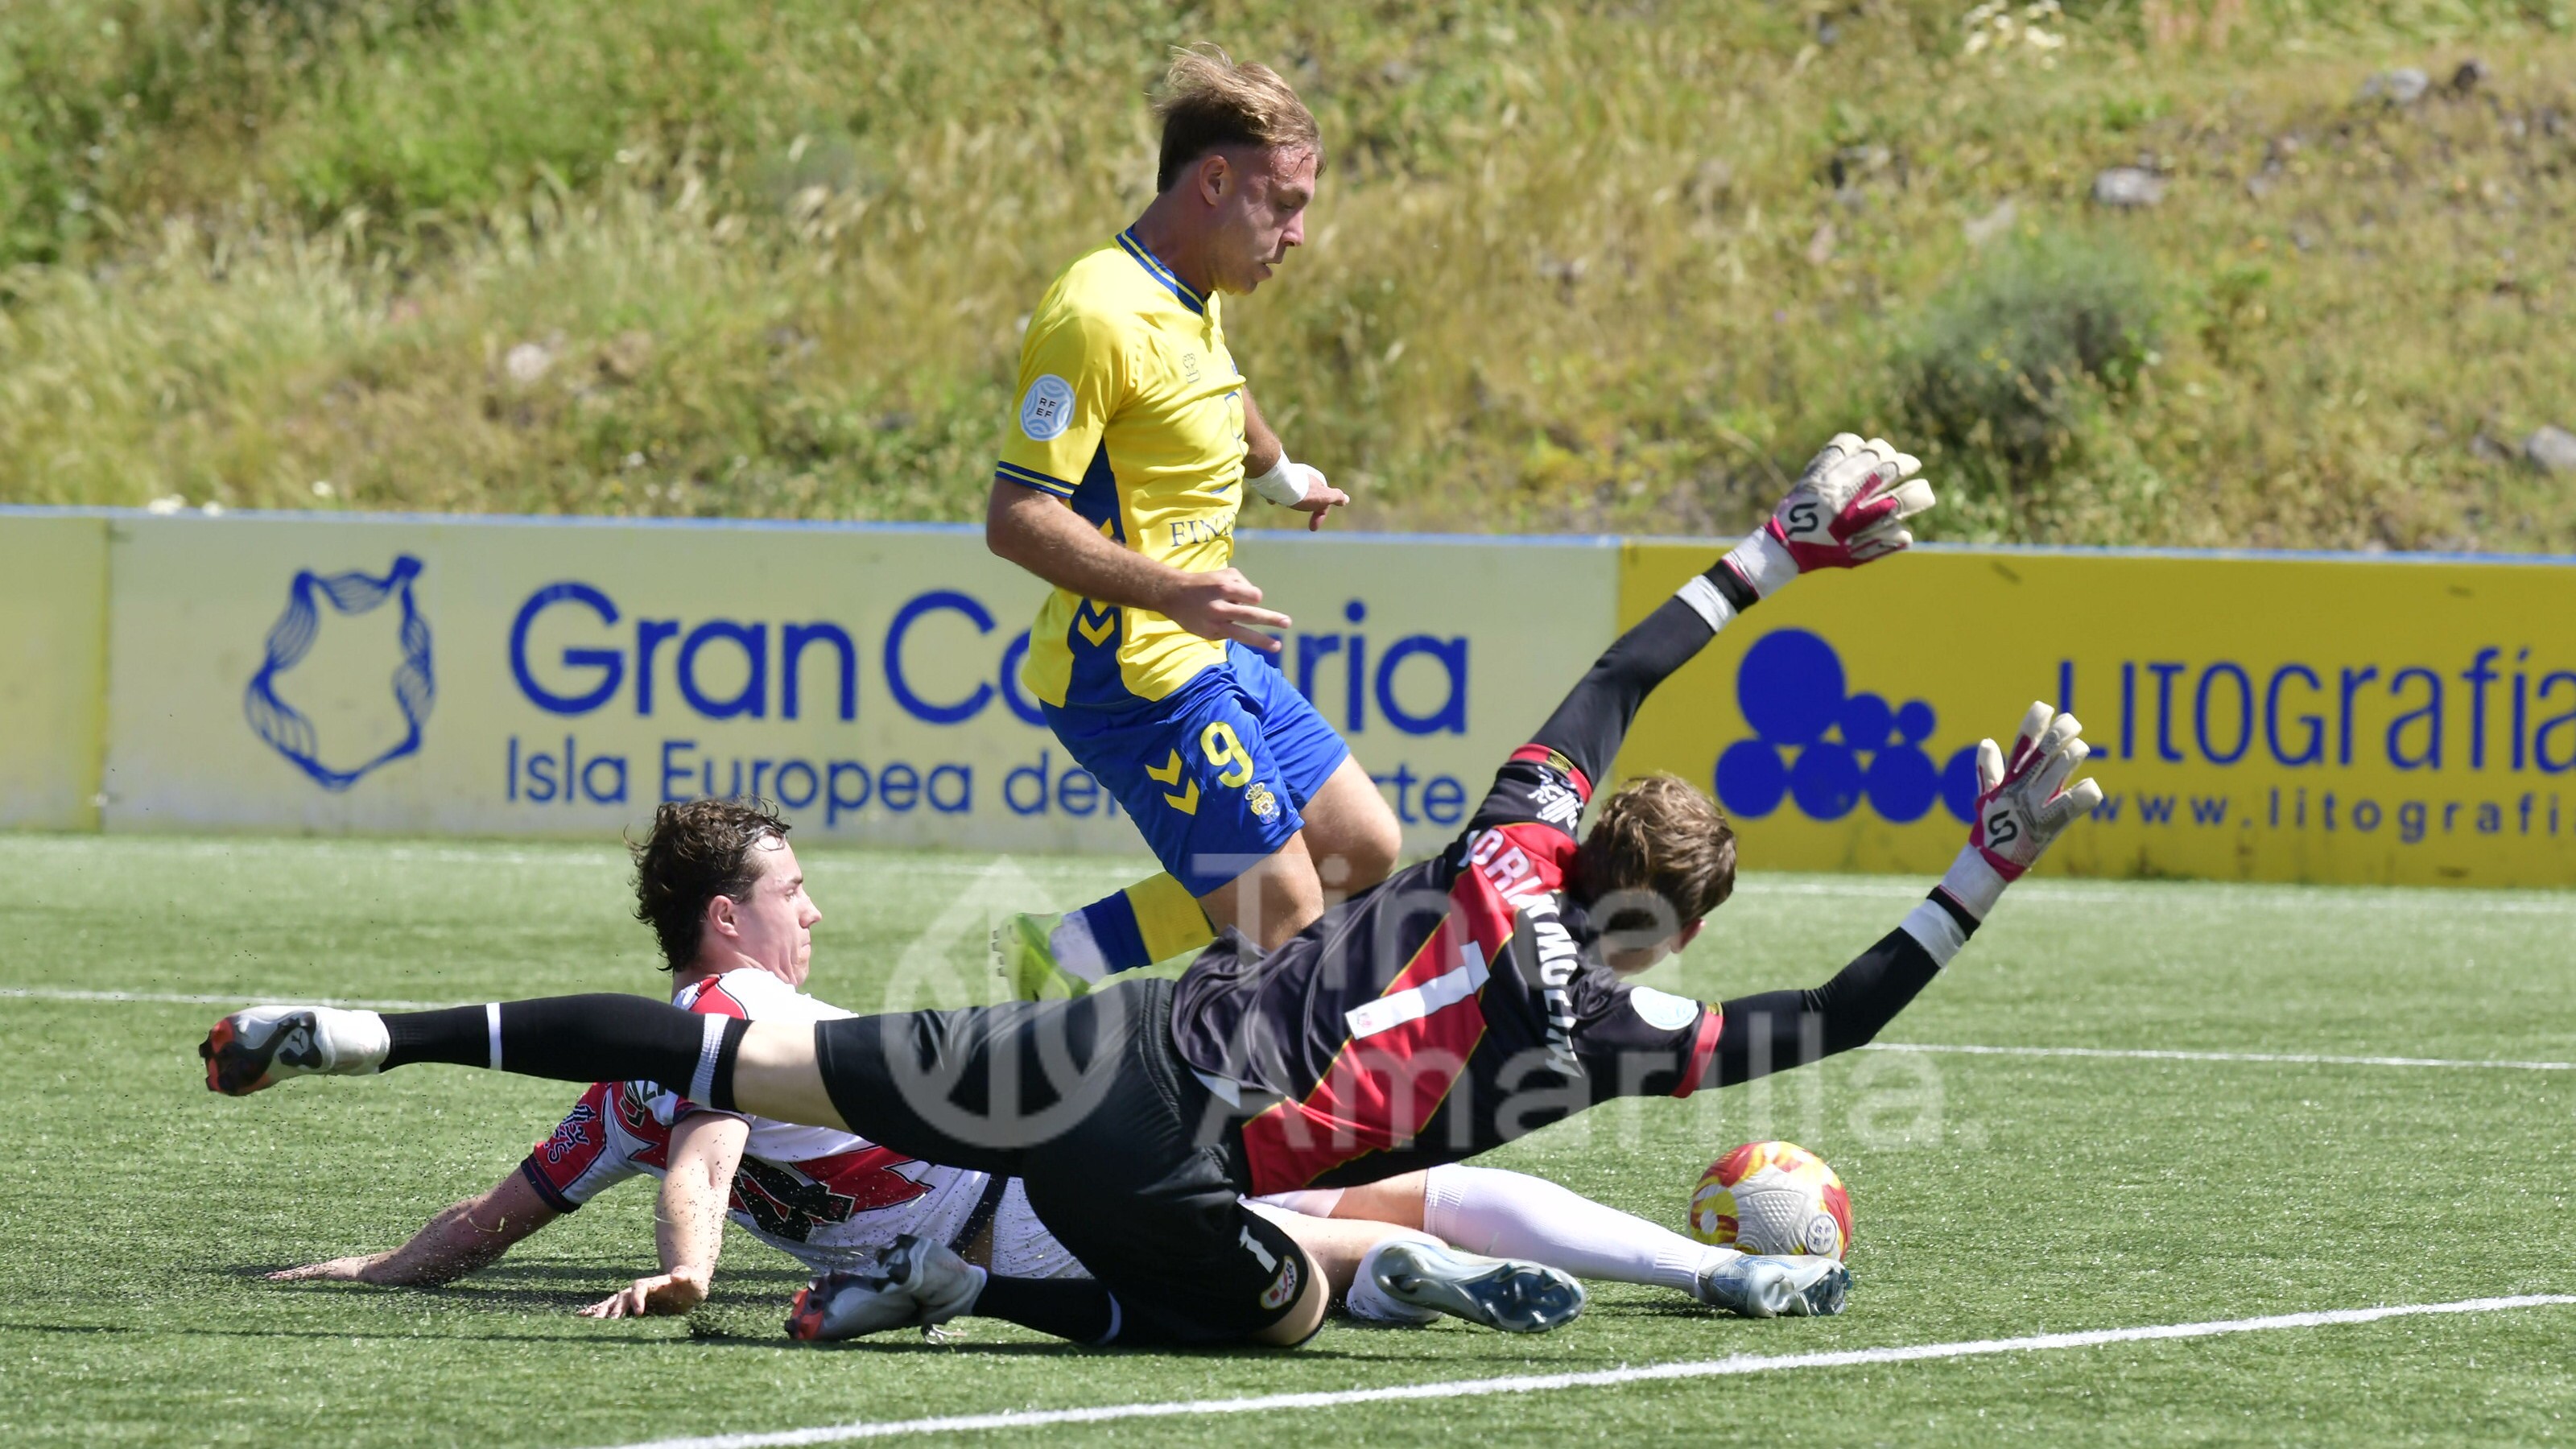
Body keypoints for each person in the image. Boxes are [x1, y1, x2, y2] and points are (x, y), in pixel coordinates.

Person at [206, 434, 2089, 1351]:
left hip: (1099, 1042)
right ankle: (1021, 1289)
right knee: (1286, 1304)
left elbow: (1610, 688)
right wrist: (1981, 864)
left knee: (739, 1051)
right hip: (1179, 1170)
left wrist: (1772, 546)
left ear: (1578, 848)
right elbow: (1844, 1018)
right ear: (1667, 931)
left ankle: (373, 1029)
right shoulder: (1619, 1018)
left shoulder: (1507, 841)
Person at [268, 798, 1590, 1338]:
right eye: (793, 891)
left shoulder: (622, 1085)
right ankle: (1465, 1266)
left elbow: (495, 1222)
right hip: (1024, 1202)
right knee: (1312, 1233)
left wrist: (374, 1272)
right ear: (726, 922)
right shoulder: (730, 1019)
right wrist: (689, 1264)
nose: (815, 916)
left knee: (1288, 1245)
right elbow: (712, 1148)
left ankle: (1427, 1269)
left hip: (988, 1230)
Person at [980, 45, 1401, 999]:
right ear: (1215, 180)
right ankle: (1207, 1128)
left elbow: (1216, 391)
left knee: (1362, 847)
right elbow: (1016, 517)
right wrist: (1173, 590)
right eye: (1284, 206)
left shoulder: (1190, 291)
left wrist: (1283, 473)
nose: (1296, 237)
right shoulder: (1093, 314)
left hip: (1201, 652)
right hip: (1129, 677)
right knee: (1286, 924)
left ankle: (1066, 956)